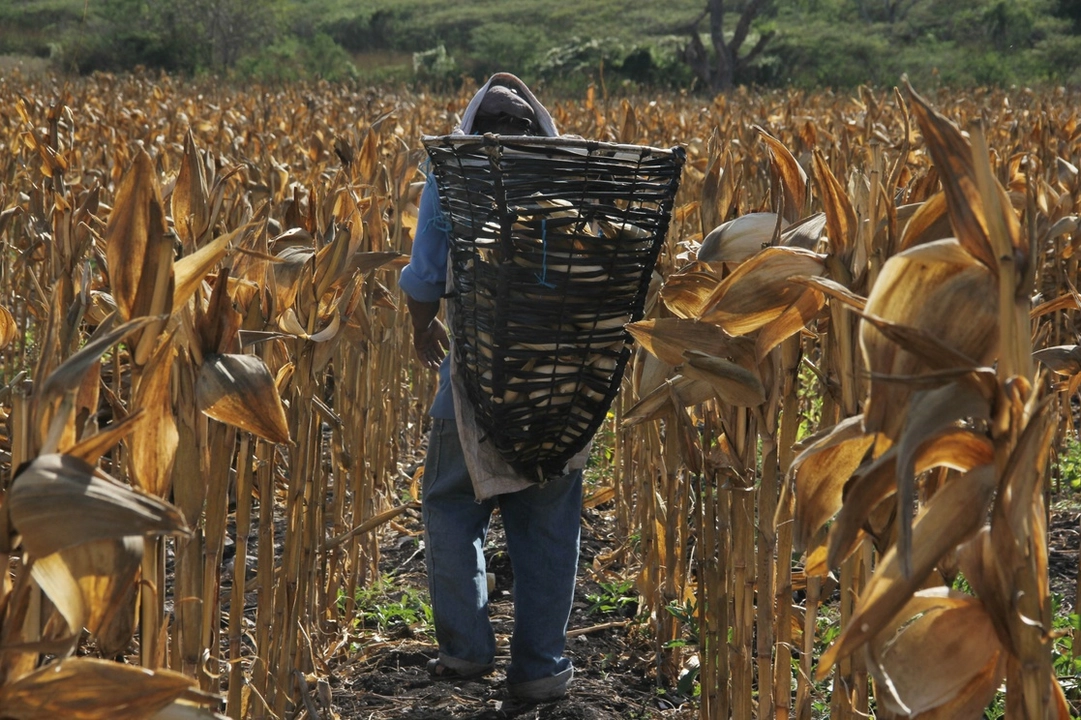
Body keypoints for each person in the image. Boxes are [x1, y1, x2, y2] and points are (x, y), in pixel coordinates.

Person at [399, 73, 581, 704]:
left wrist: (424, 329)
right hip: (561, 394)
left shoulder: (455, 179)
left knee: (451, 506)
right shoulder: (573, 182)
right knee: (549, 526)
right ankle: (540, 667)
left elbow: (425, 275)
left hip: (474, 389)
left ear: (470, 129)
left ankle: (467, 651)